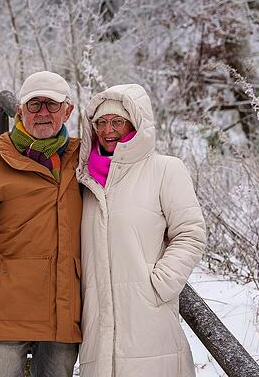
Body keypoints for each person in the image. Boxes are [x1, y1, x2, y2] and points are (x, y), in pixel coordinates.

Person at [0, 71, 82, 377]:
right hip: (4, 315)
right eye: (34, 105)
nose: (43, 113)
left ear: (68, 110)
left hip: (63, 313)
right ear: (20, 111)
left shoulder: (82, 161)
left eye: (52, 105)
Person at [76, 83, 206, 376]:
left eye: (117, 121)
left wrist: (158, 284)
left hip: (150, 320)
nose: (108, 130)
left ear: (135, 124)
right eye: (101, 122)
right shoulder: (84, 182)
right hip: (98, 330)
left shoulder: (165, 170)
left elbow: (191, 233)